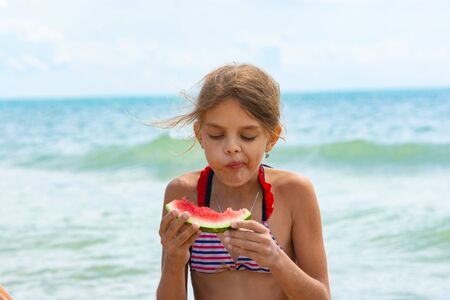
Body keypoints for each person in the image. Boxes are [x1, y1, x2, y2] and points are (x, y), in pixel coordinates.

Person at [156, 64, 330, 300]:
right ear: (200, 136)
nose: (231, 147)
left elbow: (322, 296)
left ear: (271, 138)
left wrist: (275, 258)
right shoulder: (183, 192)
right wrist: (174, 262)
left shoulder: (295, 192)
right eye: (216, 135)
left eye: (248, 136)